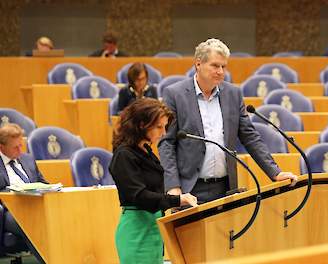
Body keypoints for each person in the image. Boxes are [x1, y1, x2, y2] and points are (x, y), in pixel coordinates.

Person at [158, 38, 298, 204]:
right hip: (190, 189)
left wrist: (275, 172)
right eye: (215, 65)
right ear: (198, 64)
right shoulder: (175, 94)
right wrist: (173, 186)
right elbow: (167, 143)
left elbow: (250, 137)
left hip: (225, 189)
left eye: (223, 66)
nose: (220, 71)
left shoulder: (233, 94)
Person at [109, 98, 197, 264]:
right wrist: (177, 200)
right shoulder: (124, 155)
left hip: (153, 228)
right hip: (136, 231)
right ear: (142, 124)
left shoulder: (146, 151)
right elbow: (140, 196)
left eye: (165, 127)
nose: (163, 133)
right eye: (159, 127)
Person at [0, 123, 47, 263]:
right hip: (11, 211)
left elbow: (43, 182)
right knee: (33, 224)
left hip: (35, 206)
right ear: (2, 147)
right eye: (15, 147)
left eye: (21, 145)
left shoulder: (28, 159)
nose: (20, 150)